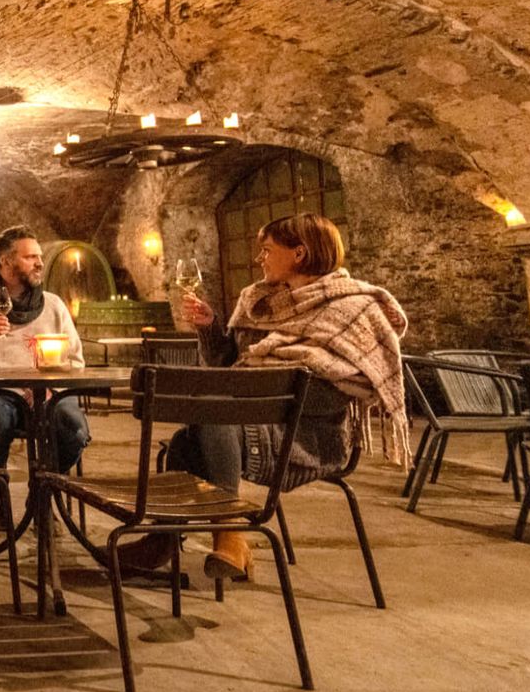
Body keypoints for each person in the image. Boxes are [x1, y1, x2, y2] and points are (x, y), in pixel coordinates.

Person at [122, 212, 408, 580]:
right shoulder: (257, 300)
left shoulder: (352, 309)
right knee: (187, 439)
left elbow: (342, 390)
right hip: (244, 424)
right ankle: (202, 539)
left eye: (267, 250)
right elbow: (228, 365)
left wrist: (262, 396)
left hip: (305, 438)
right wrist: (209, 327)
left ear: (299, 254)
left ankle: (213, 535)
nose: (260, 259)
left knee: (204, 426)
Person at [0, 226, 87, 528]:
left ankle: (42, 495)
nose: (40, 263)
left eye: (39, 256)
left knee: (72, 426)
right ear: (6, 263)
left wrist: (54, 386)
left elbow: (76, 360)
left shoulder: (53, 305)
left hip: (46, 395)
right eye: (30, 257)